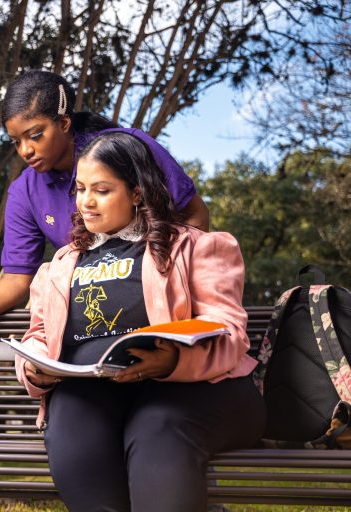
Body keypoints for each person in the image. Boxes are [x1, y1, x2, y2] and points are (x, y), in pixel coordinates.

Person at [14, 131, 265, 512]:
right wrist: (33, 369)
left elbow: (229, 334)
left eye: (101, 190)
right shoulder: (60, 265)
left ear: (136, 192)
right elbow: (38, 334)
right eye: (80, 189)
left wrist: (174, 361)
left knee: (156, 425)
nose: (85, 202)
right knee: (68, 414)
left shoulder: (196, 247)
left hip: (190, 391)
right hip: (97, 393)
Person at [0, 70, 210, 348]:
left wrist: (169, 284)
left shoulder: (127, 148)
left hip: (158, 308)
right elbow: (17, 280)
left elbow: (195, 216)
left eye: (35, 135)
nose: (25, 150)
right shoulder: (24, 191)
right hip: (91, 319)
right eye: (17, 141)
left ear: (64, 123)